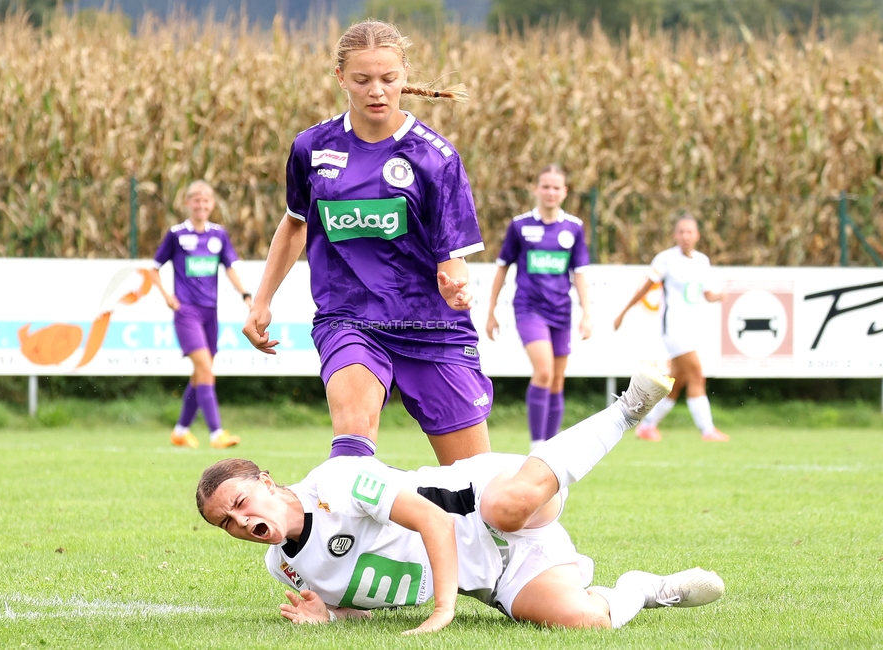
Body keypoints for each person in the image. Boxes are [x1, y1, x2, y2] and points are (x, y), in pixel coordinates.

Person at [196, 364, 725, 635]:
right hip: (494, 577)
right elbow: (360, 604)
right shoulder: (281, 566)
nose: (242, 521)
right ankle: (649, 589)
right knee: (585, 621)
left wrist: (443, 610)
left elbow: (434, 522)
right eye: (228, 523)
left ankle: (628, 409)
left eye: (241, 501)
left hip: (477, 502)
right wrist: (328, 619)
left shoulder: (338, 479)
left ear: (266, 481)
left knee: (510, 506)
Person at [242, 21, 492, 465]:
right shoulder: (312, 148)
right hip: (349, 318)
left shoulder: (437, 159)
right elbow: (296, 222)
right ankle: (347, 533)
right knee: (355, 432)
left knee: (477, 484)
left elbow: (450, 258)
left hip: (430, 325)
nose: (377, 90)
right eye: (362, 80)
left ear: (404, 75)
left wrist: (456, 288)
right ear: (341, 78)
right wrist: (261, 300)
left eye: (388, 79)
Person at [486, 165, 592, 450]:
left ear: (565, 192)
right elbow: (502, 269)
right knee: (544, 371)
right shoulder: (520, 226)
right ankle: (536, 444)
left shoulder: (574, 228)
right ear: (536, 189)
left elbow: (579, 273)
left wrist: (587, 313)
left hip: (561, 311)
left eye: (557, 187)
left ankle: (550, 446)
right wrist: (491, 311)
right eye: (545, 186)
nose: (551, 192)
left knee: (557, 380)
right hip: (529, 309)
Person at [149, 180, 253, 449]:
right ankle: (216, 433)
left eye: (206, 200)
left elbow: (230, 267)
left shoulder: (218, 235)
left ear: (212, 205)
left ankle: (180, 431)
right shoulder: (176, 234)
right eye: (196, 199)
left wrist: (245, 294)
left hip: (210, 313)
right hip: (186, 312)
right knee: (206, 369)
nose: (201, 204)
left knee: (200, 374)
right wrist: (167, 296)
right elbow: (153, 269)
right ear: (187, 203)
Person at [613, 214, 728, 442]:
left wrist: (718, 297)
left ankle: (646, 426)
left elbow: (706, 294)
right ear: (675, 235)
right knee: (697, 373)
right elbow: (645, 288)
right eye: (681, 232)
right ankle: (707, 430)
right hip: (674, 329)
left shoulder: (702, 261)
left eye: (690, 232)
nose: (685, 236)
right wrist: (623, 313)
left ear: (697, 235)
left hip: (692, 329)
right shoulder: (666, 259)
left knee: (677, 381)